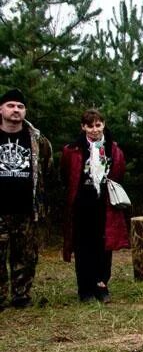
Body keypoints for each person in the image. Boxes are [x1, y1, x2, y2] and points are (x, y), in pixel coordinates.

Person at [60, 109, 130, 302]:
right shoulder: (71, 150)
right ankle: (85, 289)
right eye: (89, 126)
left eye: (98, 125)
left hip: (105, 206)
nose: (94, 130)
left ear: (103, 125)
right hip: (82, 205)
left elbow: (119, 174)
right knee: (83, 248)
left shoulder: (114, 149)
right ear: (83, 127)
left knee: (103, 247)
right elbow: (66, 176)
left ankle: (101, 285)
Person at [0, 88, 52, 309]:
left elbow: (47, 169)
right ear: (1, 109)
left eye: (20, 107)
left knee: (26, 255)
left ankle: (21, 296)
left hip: (27, 209)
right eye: (11, 106)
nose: (16, 110)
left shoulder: (37, 140)